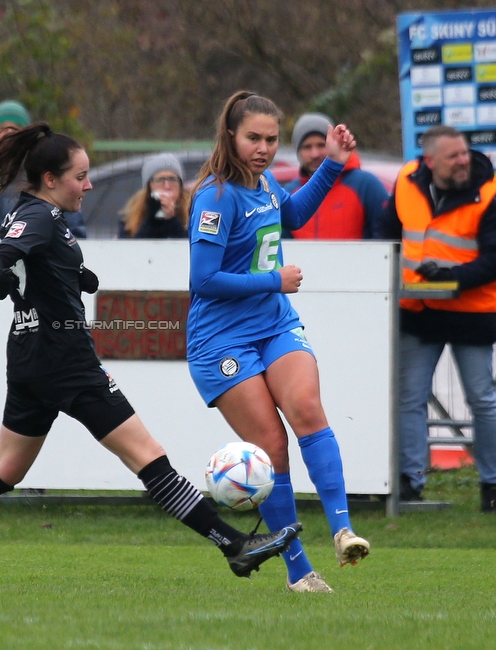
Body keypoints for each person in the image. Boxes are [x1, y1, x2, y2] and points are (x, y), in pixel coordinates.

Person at [0, 123, 302, 586]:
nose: (89, 184)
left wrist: (72, 277)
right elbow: (1, 257)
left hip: (31, 354)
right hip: (64, 359)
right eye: (80, 176)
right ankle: (234, 545)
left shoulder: (43, 215)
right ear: (51, 180)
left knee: (5, 469)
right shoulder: (38, 216)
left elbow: (32, 262)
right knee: (149, 457)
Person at [186, 91, 369, 594]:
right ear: (230, 137)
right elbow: (204, 280)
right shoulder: (215, 197)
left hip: (273, 324)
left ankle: (343, 530)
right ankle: (298, 570)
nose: (264, 148)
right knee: (271, 450)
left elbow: (295, 215)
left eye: (271, 139)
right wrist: (273, 280)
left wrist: (331, 163)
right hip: (220, 340)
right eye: (253, 139)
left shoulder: (265, 182)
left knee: (308, 408)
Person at [373, 125, 496, 512]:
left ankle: (492, 486)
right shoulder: (406, 179)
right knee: (410, 398)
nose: (463, 161)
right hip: (418, 309)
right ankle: (410, 481)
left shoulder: (492, 192)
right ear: (429, 161)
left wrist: (452, 278)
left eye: (465, 153)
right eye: (454, 156)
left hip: (470, 310)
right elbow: (386, 231)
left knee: (481, 400)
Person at [0, 100, 86, 239]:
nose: (9, 133)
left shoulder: (47, 179)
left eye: (16, 129)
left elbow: (74, 236)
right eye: (2, 129)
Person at [282, 112, 388, 240]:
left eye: (321, 145)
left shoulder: (365, 185)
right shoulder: (289, 194)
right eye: (307, 147)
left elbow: (385, 236)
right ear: (297, 152)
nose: (314, 154)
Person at [119, 153, 189, 238]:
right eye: (160, 180)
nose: (167, 186)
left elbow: (189, 248)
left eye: (172, 179)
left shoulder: (193, 212)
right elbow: (134, 248)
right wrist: (153, 220)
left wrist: (172, 220)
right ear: (148, 187)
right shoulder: (130, 218)